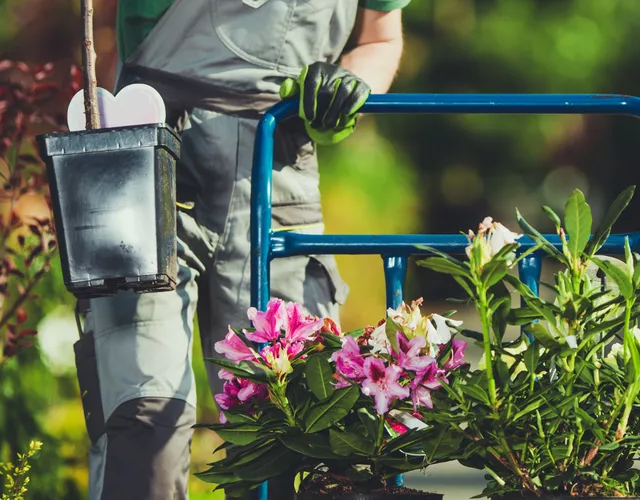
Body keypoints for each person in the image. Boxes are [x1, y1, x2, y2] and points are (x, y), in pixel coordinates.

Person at [71, 0, 409, 498]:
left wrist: (347, 83)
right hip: (148, 173)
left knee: (284, 429)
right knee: (143, 421)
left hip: (278, 178)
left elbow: (381, 37)